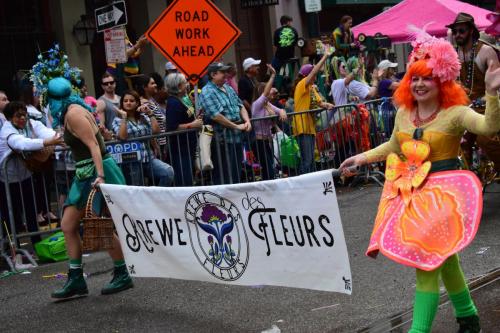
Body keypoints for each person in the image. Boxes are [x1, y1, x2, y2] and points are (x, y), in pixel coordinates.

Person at [339, 29, 500, 333]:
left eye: (427, 77)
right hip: (412, 194)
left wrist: (492, 93)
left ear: (441, 81)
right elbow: (393, 147)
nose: (419, 84)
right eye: (414, 77)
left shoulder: (455, 112)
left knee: (426, 263)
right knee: (444, 258)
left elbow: (489, 127)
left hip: (445, 198)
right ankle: (468, 317)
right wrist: (360, 158)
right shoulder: (403, 113)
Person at [47, 77, 133, 299]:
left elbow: (94, 146)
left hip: (95, 172)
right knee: (68, 225)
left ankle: (122, 272)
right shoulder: (71, 110)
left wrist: (101, 176)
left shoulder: (74, 114)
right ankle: (76, 278)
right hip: (85, 173)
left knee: (98, 224)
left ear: (54, 99)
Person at [0, 101, 63, 246]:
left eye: (24, 115)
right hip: (7, 180)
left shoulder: (30, 123)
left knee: (31, 212)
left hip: (25, 176)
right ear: (10, 118)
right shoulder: (7, 131)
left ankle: (36, 245)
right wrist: (47, 142)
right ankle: (10, 250)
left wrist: (56, 137)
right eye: (18, 116)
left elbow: (46, 131)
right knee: (10, 217)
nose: (23, 118)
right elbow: (22, 143)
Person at [447, 12, 500, 174]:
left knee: (486, 140)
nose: (457, 35)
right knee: (458, 142)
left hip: (487, 107)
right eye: (455, 32)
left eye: (461, 31)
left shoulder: (485, 51)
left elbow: (497, 84)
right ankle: (466, 181)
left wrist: (479, 101)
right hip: (465, 109)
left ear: (471, 30)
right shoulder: (455, 53)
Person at [198, 62, 252, 184]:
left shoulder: (228, 87)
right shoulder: (207, 91)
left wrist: (247, 121)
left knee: (236, 172)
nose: (226, 74)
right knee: (224, 176)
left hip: (237, 137)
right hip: (221, 140)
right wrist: (236, 126)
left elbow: (240, 105)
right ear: (213, 74)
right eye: (222, 72)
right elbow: (216, 116)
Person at [112, 90, 174, 187]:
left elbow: (156, 131)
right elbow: (122, 137)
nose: (128, 103)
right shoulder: (117, 120)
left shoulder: (143, 117)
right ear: (122, 103)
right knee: (138, 188)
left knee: (168, 172)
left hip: (148, 157)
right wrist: (124, 117)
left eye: (131, 101)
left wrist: (150, 113)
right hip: (132, 161)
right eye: (125, 101)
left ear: (137, 103)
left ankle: (156, 197)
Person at [292, 50, 334, 175]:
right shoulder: (301, 85)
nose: (315, 76)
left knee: (311, 159)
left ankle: (309, 184)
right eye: (313, 74)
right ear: (307, 75)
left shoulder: (311, 88)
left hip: (310, 126)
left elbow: (320, 102)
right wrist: (325, 56)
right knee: (307, 159)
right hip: (302, 125)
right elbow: (315, 70)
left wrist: (328, 105)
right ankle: (303, 185)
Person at [165, 73, 202, 186]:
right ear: (179, 86)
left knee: (189, 175)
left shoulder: (181, 100)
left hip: (187, 145)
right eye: (185, 83)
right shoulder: (173, 103)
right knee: (184, 177)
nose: (187, 85)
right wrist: (193, 124)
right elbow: (172, 126)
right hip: (180, 148)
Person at [251, 64, 287, 180]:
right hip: (259, 142)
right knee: (268, 169)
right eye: (267, 90)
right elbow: (265, 94)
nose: (271, 92)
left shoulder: (267, 104)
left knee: (270, 167)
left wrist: (282, 112)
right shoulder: (256, 105)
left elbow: (279, 110)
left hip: (268, 140)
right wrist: (272, 75)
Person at [135, 75, 167, 159]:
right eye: (152, 83)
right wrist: (155, 146)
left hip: (162, 143)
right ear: (144, 87)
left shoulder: (152, 101)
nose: (155, 85)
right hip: (157, 146)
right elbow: (148, 126)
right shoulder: (144, 104)